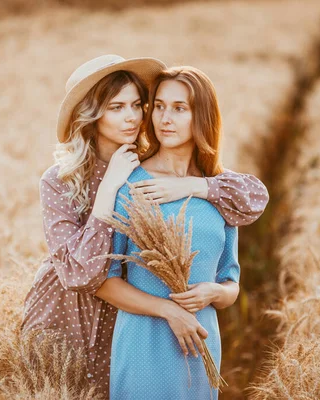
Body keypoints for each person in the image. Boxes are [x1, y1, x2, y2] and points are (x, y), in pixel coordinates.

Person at [21, 55, 269, 398]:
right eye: (117, 107)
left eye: (138, 104)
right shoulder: (74, 181)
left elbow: (249, 207)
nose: (132, 116)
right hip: (72, 311)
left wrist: (195, 187)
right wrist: (109, 187)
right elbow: (84, 275)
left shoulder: (168, 174)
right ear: (91, 114)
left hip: (150, 318)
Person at [96, 66, 243, 399]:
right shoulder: (130, 184)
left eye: (179, 108)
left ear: (202, 116)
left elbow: (231, 282)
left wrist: (211, 293)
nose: (165, 118)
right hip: (143, 343)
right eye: (159, 106)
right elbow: (103, 282)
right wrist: (168, 310)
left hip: (200, 342)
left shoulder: (219, 191)